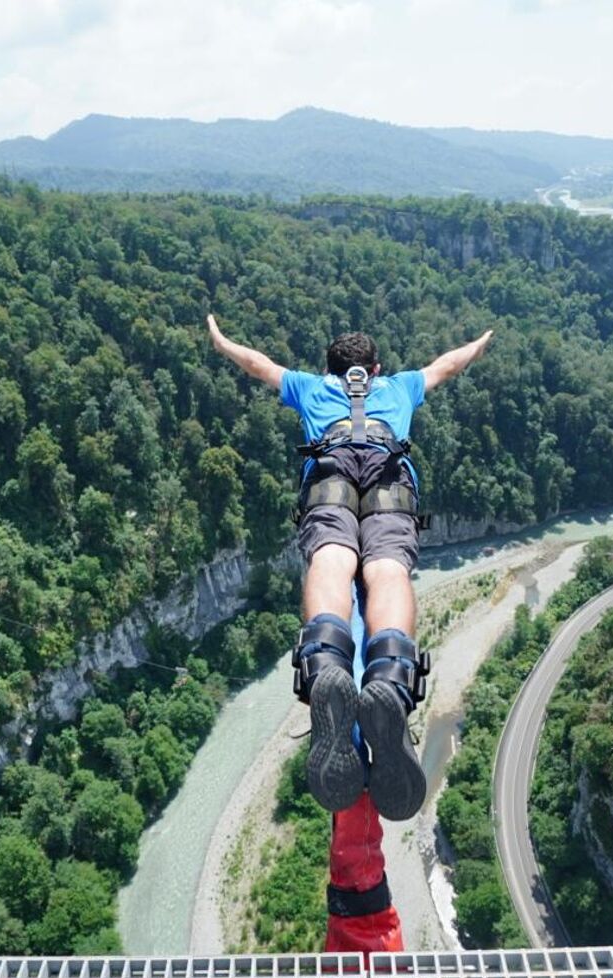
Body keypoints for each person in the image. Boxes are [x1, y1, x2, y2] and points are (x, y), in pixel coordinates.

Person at [207, 315, 493, 821]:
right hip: (388, 479)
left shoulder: (308, 387)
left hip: (329, 479)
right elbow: (446, 366)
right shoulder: (399, 387)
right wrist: (479, 343)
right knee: (386, 570)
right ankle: (388, 674)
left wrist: (221, 341)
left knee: (332, 559)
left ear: (330, 369)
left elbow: (259, 366)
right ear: (375, 368)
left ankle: (328, 667)